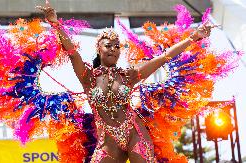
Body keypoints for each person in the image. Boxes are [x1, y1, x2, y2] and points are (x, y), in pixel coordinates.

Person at [36, 1, 215, 163]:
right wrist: (55, 24)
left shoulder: (129, 75)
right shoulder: (87, 76)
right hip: (107, 140)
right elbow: (72, 52)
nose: (113, 50)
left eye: (117, 47)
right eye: (108, 46)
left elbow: (164, 57)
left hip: (134, 132)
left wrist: (193, 37)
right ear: (99, 49)